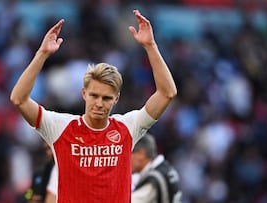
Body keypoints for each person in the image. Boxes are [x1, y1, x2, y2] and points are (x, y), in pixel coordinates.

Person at [10, 9, 177, 203]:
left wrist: (150, 46)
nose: (99, 103)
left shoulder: (128, 126)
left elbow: (167, 93)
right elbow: (18, 99)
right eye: (94, 96)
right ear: (83, 94)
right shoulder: (60, 127)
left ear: (116, 99)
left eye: (106, 98)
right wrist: (42, 54)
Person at [131, 134, 182, 203]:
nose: (125, 160)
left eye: (128, 154)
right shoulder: (165, 168)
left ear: (141, 154)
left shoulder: (154, 179)